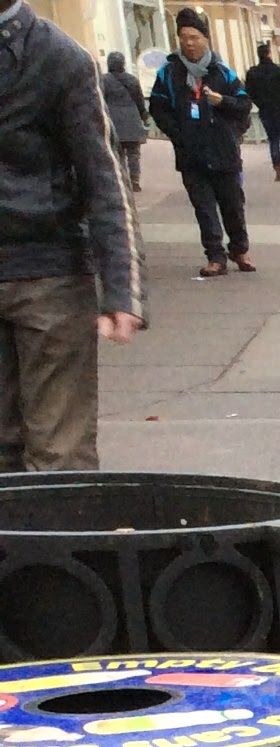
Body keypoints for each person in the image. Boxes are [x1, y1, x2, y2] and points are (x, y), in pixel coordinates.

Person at [0, 0, 141, 471]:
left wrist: (121, 288)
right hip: (44, 270)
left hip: (50, 274)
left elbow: (103, 175)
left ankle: (62, 544)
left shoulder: (59, 56)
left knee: (60, 457)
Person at [149, 9, 255, 279]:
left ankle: (240, 249)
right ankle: (215, 256)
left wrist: (223, 103)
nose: (190, 43)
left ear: (206, 39)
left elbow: (244, 105)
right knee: (204, 208)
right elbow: (158, 108)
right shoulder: (169, 72)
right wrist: (178, 133)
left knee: (232, 204)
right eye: (184, 37)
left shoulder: (222, 72)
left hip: (223, 150)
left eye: (194, 37)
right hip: (191, 154)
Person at [101, 49, 148, 194]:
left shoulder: (103, 80)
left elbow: (100, 100)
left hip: (113, 119)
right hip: (131, 118)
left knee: (117, 152)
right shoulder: (132, 80)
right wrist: (143, 115)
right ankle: (135, 180)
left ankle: (122, 179)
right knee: (133, 152)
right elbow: (139, 100)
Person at [245, 43, 280, 181]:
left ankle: (278, 169)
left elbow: (249, 92)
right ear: (269, 54)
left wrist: (260, 104)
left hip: (266, 111)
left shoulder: (253, 73)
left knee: (273, 140)